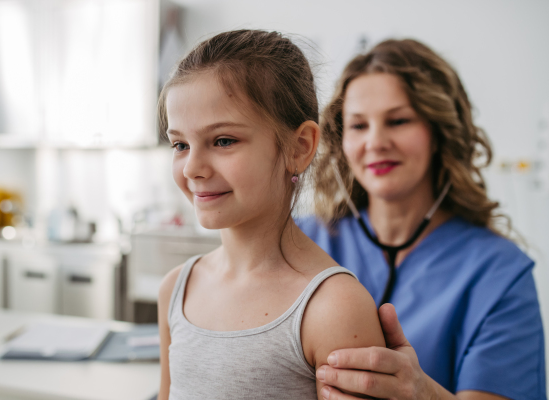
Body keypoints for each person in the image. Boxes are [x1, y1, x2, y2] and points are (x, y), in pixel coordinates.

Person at [298, 39, 546, 400]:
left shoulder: (499, 273)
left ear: (438, 132)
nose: (376, 142)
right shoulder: (301, 241)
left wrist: (423, 394)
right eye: (358, 126)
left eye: (398, 121)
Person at [156, 30, 385, 400]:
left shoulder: (333, 308)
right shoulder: (175, 290)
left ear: (300, 147)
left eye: (223, 141)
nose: (192, 168)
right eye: (180, 144)